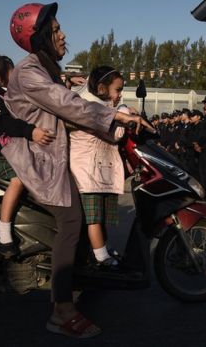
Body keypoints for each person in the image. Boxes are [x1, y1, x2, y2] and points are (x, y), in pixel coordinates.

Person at [3, 2, 151, 338]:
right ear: (39, 37)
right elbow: (66, 103)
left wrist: (113, 115)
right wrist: (116, 115)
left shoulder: (46, 68)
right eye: (55, 30)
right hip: (35, 156)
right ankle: (61, 310)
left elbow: (70, 106)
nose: (63, 34)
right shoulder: (30, 72)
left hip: (53, 154)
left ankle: (76, 271)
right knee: (71, 219)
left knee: (80, 212)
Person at [0, 53, 54, 258]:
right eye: (13, 72)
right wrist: (31, 131)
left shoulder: (8, 98)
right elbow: (5, 124)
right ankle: (4, 228)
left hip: (10, 155)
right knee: (18, 180)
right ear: (1, 79)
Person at [70, 65, 131, 268]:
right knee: (94, 218)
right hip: (87, 171)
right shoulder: (91, 108)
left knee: (99, 216)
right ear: (103, 89)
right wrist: (123, 112)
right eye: (118, 90)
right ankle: (101, 257)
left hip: (96, 169)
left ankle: (101, 249)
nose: (120, 94)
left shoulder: (99, 106)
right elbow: (115, 135)